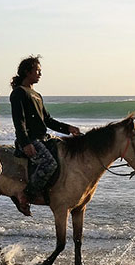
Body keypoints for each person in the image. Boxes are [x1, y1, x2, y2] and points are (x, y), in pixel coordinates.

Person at [9, 55, 81, 216]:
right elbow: (18, 121)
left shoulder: (37, 95)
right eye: (37, 71)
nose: (40, 74)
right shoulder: (19, 93)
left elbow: (47, 120)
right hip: (29, 140)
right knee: (49, 164)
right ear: (27, 72)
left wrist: (68, 128)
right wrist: (25, 143)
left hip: (43, 138)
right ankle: (26, 195)